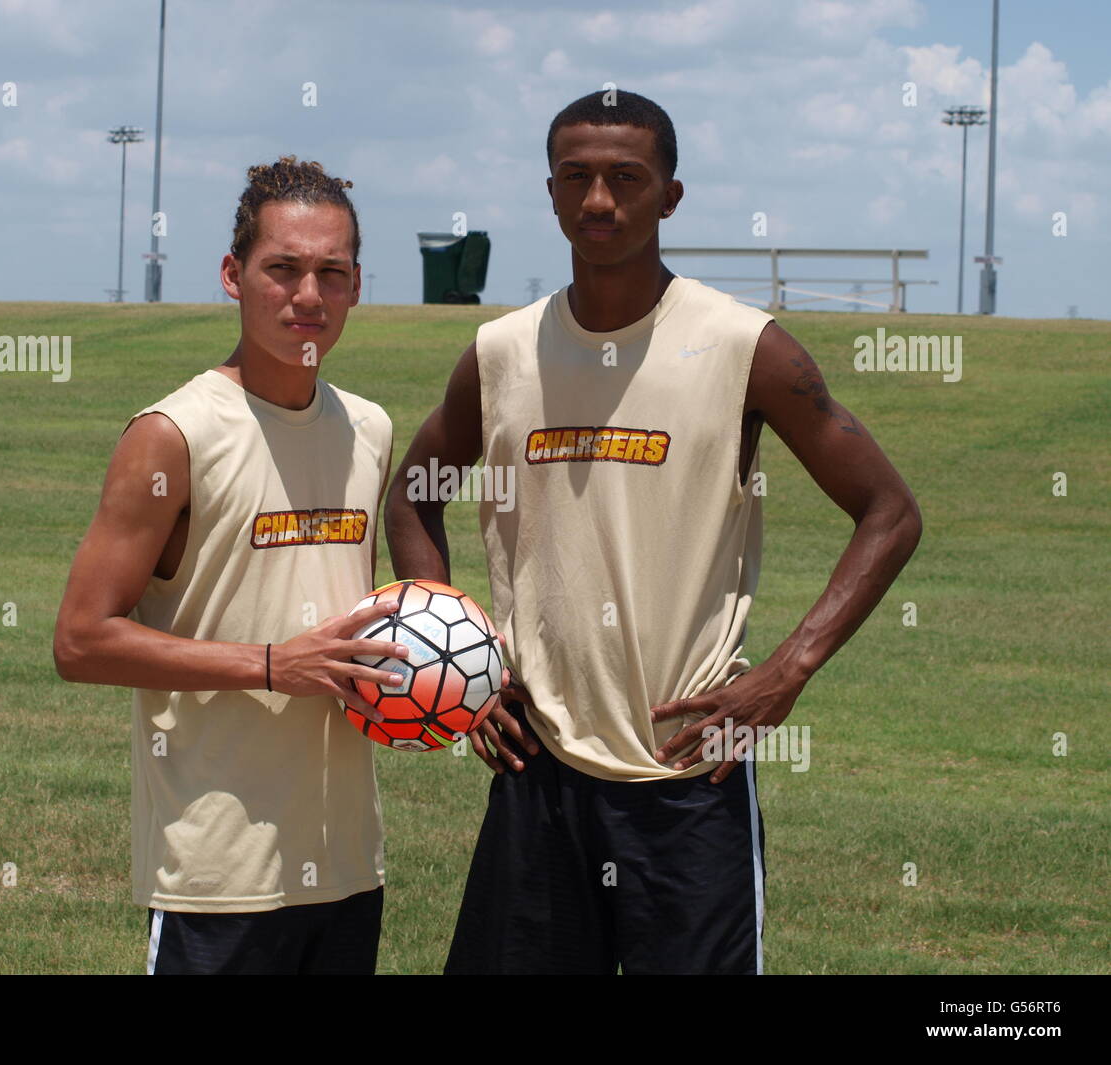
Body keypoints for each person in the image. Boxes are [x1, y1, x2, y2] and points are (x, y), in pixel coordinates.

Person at [385, 90, 923, 975]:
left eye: (626, 179)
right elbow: (412, 497)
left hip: (687, 778)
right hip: (539, 769)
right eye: (578, 179)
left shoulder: (746, 347)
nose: (600, 200)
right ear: (551, 193)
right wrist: (463, 663)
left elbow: (890, 512)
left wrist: (786, 673)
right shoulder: (503, 351)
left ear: (670, 195)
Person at [53, 155, 411, 975]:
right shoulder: (173, 435)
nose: (308, 297)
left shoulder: (368, 429)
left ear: (358, 285)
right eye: (281, 270)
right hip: (215, 878)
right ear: (232, 275)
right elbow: (80, 640)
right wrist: (273, 665)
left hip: (349, 865)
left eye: (332, 272)